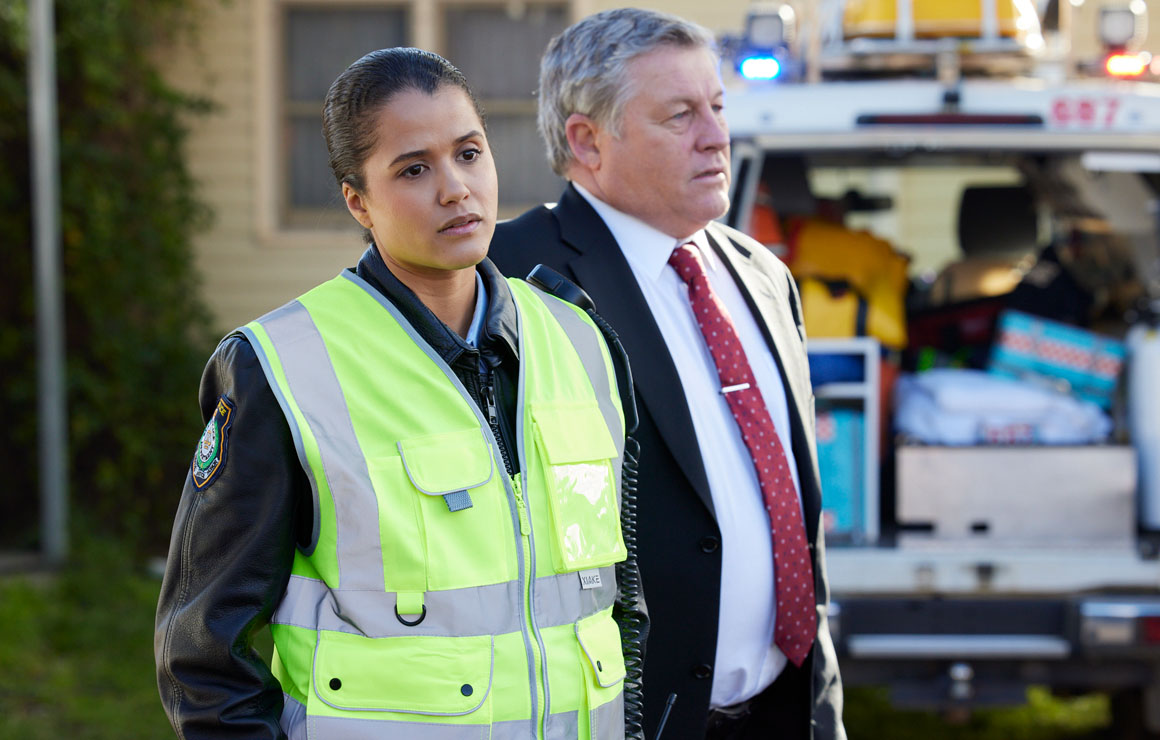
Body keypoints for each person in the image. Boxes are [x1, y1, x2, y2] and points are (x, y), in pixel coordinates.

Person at [156, 47, 639, 740]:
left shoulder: (580, 340)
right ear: (358, 200)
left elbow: (620, 606)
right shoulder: (281, 367)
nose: (456, 189)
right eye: (414, 169)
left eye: (469, 153)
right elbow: (201, 655)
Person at [489, 9, 846, 739]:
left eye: (717, 107)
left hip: (786, 710)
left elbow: (791, 514)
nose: (716, 136)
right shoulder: (508, 282)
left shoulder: (762, 275)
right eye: (680, 115)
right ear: (587, 141)